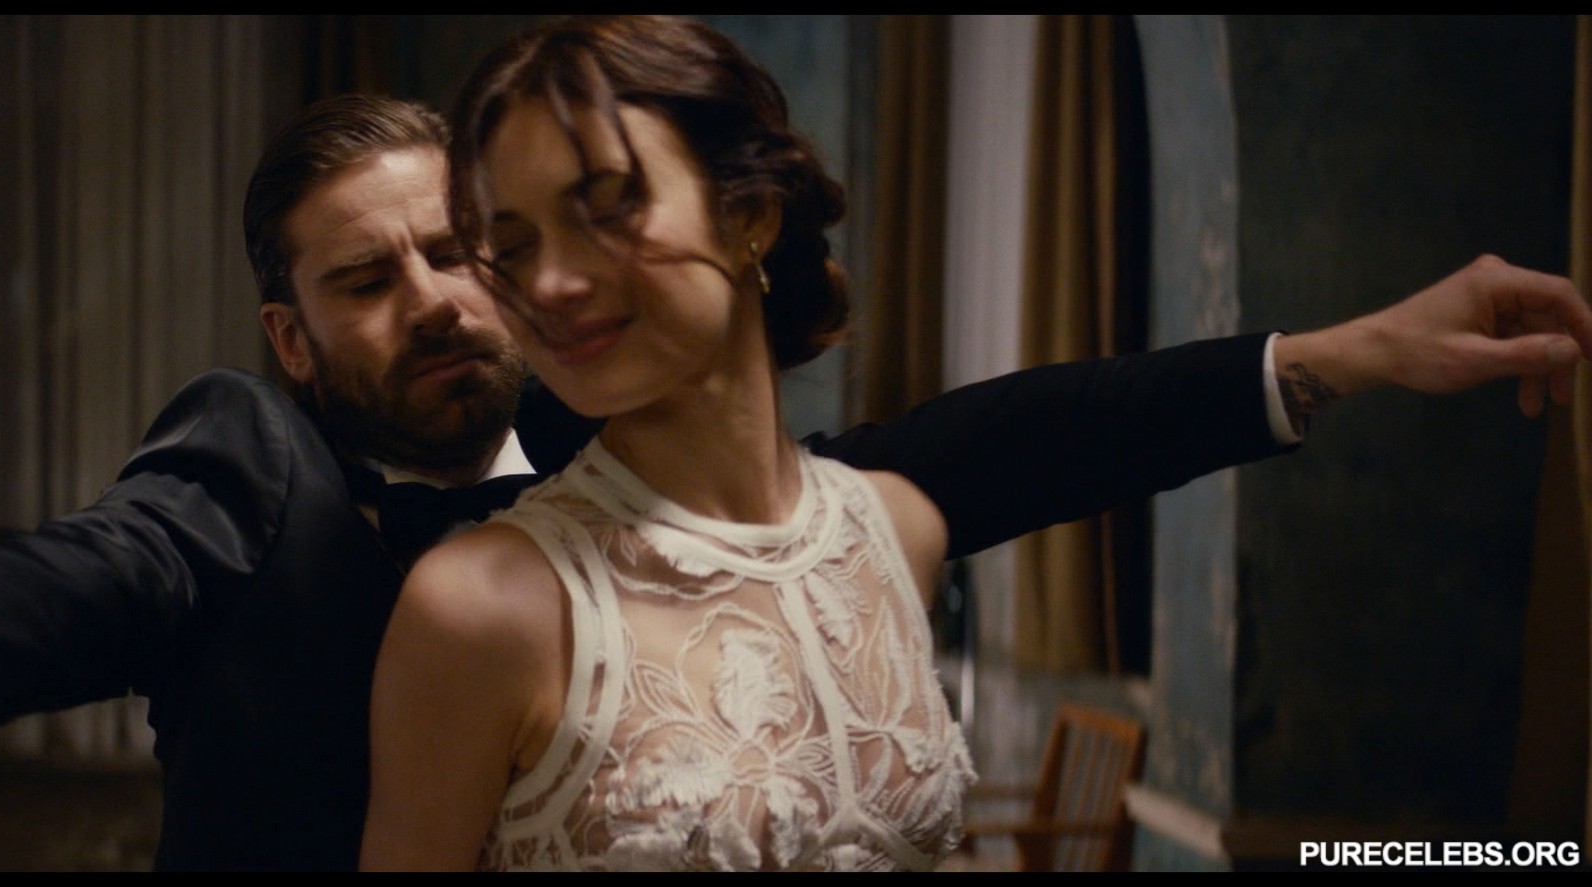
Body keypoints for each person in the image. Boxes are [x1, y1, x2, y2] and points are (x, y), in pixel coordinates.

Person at [0, 78, 1587, 872]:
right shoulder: (253, 471)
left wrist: (1324, 357)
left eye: (470, 250)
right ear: (292, 336)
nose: (446, 298)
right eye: (370, 279)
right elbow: (48, 580)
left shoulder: (654, 472)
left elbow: (991, 444)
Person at [355, 15, 1592, 872]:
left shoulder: (895, 527)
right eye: (511, 245)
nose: (550, 282)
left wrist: (1359, 348)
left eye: (608, 203)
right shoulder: (481, 606)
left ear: (747, 213)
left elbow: (1056, 427)